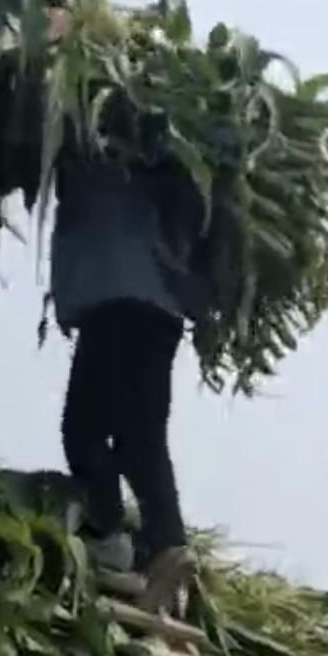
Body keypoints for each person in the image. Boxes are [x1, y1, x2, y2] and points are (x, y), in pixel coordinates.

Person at [46, 40, 208, 613]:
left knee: (83, 428)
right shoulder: (162, 153)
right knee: (142, 433)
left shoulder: (86, 136)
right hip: (163, 308)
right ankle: (164, 543)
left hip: (117, 299)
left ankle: (114, 538)